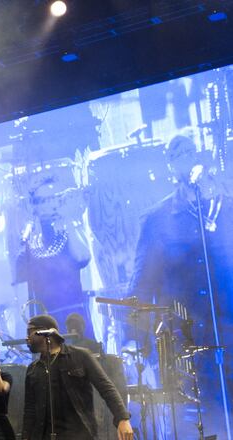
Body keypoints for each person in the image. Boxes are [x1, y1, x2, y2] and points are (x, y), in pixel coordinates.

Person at [128, 133, 232, 433]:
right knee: (202, 425)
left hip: (229, 333)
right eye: (179, 154)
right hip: (187, 345)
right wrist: (136, 343)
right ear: (170, 166)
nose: (188, 158)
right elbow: (141, 286)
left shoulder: (225, 208)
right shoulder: (158, 220)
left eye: (191, 151)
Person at [22, 314, 133, 440]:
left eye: (30, 332)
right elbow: (29, 411)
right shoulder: (33, 369)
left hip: (78, 434)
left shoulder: (80, 356)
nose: (27, 338)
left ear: (46, 333)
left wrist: (122, 418)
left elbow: (106, 388)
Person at [14, 176, 92, 328]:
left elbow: (83, 257)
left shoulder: (68, 232)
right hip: (45, 320)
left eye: (53, 198)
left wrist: (68, 218)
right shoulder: (30, 242)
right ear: (34, 206)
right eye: (43, 200)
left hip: (74, 317)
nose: (50, 204)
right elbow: (20, 281)